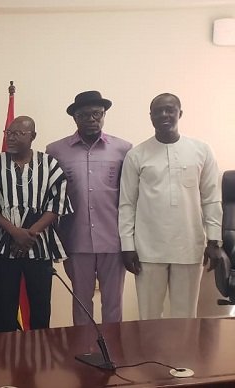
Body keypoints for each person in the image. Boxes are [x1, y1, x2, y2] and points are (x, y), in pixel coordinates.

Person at [118, 93, 224, 319]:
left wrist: (214, 240)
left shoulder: (201, 150)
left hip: (189, 245)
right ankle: (150, 355)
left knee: (185, 315)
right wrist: (127, 245)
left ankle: (182, 356)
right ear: (150, 116)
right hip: (148, 248)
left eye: (169, 110)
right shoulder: (136, 155)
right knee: (149, 315)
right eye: (158, 111)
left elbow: (211, 198)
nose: (164, 115)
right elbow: (127, 204)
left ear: (180, 113)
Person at [45, 91, 132, 326]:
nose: (92, 119)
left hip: (113, 240)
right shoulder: (55, 151)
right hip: (75, 240)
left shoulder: (124, 149)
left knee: (113, 303)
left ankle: (113, 352)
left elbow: (130, 197)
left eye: (97, 114)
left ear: (104, 115)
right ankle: (84, 352)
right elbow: (52, 197)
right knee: (81, 303)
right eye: (84, 115)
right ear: (75, 118)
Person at [0, 116, 72, 333]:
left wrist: (30, 234)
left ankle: (38, 360)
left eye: (18, 133)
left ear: (33, 136)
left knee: (40, 309)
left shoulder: (50, 164)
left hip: (39, 247)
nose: (11, 138)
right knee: (2, 310)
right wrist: (15, 232)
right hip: (4, 247)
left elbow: (58, 203)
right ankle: (3, 360)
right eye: (8, 133)